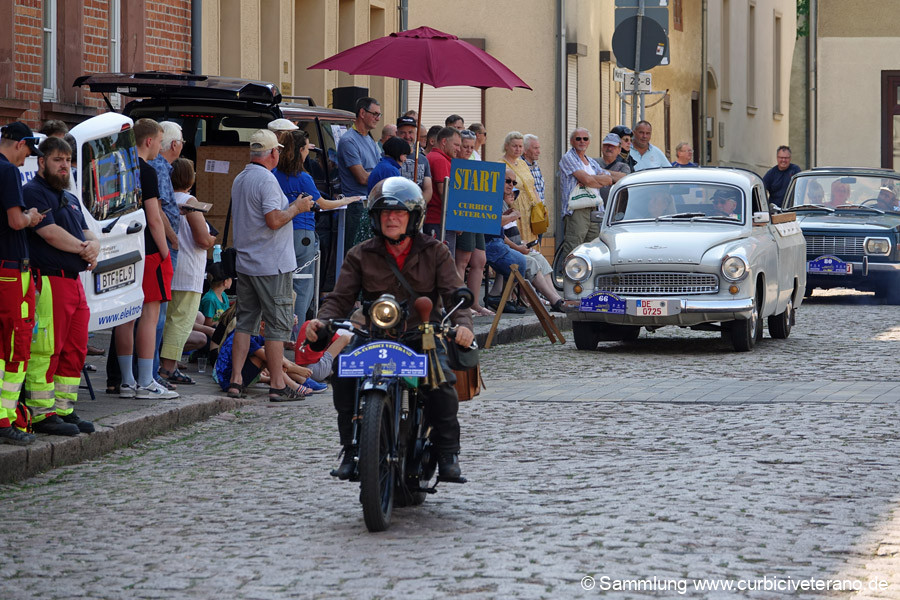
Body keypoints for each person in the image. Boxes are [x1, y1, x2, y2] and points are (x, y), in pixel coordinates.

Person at [306, 177, 474, 480]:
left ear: (413, 218)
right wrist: (322, 321)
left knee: (441, 386)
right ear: (375, 218)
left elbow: (454, 293)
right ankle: (351, 447)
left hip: (421, 335)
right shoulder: (360, 253)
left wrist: (462, 326)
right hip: (374, 336)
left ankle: (448, 454)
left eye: (398, 213)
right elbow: (340, 299)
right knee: (343, 375)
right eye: (385, 213)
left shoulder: (436, 251)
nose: (391, 219)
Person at [228, 129, 313, 401]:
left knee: (245, 323)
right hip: (271, 264)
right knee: (276, 326)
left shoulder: (241, 178)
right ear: (273, 153)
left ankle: (236, 380)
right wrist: (297, 208)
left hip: (248, 263)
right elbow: (274, 220)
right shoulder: (266, 180)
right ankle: (278, 383)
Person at [21, 136, 98, 436]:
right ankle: (41, 413)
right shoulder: (33, 192)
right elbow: (49, 233)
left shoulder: (70, 196)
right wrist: (84, 248)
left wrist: (95, 247)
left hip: (74, 283)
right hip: (49, 281)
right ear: (42, 162)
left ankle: (64, 409)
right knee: (46, 350)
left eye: (67, 160)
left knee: (75, 349)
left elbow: (87, 231)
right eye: (57, 160)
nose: (64, 165)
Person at [114, 118, 179, 400]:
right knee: (149, 318)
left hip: (120, 248)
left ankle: (127, 381)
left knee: (124, 317)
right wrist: (166, 252)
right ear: (149, 141)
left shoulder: (117, 168)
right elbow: (154, 218)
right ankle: (145, 380)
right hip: (148, 249)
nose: (159, 148)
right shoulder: (147, 171)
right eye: (159, 142)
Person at [273, 129, 361, 326]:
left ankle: (278, 328)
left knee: (280, 285)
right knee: (303, 286)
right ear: (301, 151)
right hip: (302, 233)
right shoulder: (304, 177)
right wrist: (345, 200)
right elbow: (323, 203)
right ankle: (297, 331)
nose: (308, 153)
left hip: (279, 232)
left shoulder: (273, 174)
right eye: (306, 148)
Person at [0, 123, 44, 445]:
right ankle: (6, 419)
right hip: (11, 269)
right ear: (19, 144)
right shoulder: (8, 172)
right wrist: (31, 216)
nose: (27, 157)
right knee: (15, 346)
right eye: (29, 150)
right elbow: (16, 221)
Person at [159, 158, 216, 385]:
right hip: (188, 268)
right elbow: (202, 239)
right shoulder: (189, 201)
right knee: (180, 321)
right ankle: (168, 367)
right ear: (191, 178)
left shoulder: (165, 199)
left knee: (167, 319)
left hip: (171, 266)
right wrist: (213, 238)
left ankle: (162, 362)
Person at [485, 170, 568, 314]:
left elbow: (501, 233)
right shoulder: (493, 200)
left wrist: (518, 245)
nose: (511, 186)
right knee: (525, 262)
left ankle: (554, 297)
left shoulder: (501, 203)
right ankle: (507, 299)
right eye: (508, 181)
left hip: (499, 245)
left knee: (537, 259)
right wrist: (512, 220)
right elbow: (494, 225)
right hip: (492, 245)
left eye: (514, 183)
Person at [149, 121, 184, 389]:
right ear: (175, 145)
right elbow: (158, 211)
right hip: (161, 249)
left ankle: (149, 371)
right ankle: (150, 372)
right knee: (156, 314)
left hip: (160, 246)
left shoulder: (162, 167)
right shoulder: (159, 168)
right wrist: (171, 241)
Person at [215, 322, 317, 399]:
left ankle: (298, 380)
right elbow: (271, 358)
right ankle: (293, 385)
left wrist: (292, 365)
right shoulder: (248, 336)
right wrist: (297, 369)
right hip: (228, 381)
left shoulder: (253, 332)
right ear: (263, 325)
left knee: (271, 353)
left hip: (231, 378)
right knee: (268, 357)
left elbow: (279, 357)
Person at [557, 128, 613, 261]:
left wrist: (591, 180)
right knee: (574, 247)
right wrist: (595, 180)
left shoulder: (591, 161)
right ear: (571, 141)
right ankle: (569, 279)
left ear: (589, 142)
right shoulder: (568, 158)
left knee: (593, 248)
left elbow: (609, 180)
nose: (582, 141)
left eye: (585, 139)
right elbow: (588, 180)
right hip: (577, 209)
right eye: (578, 138)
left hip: (594, 208)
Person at [454, 129, 493, 317]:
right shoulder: (456, 162)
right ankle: (460, 305)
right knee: (462, 260)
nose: (468, 150)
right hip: (463, 213)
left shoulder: (475, 157)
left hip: (477, 214)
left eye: (471, 146)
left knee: (480, 260)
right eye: (465, 146)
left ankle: (475, 303)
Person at [336, 96, 382, 251]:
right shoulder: (349, 140)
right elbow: (362, 178)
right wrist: (383, 178)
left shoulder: (370, 138)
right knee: (355, 253)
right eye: (375, 114)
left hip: (371, 203)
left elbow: (377, 168)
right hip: (356, 206)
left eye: (379, 115)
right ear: (362, 113)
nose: (378, 118)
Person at [500, 131, 543, 245]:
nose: (518, 149)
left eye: (520, 146)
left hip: (530, 209)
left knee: (532, 243)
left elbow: (532, 186)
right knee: (519, 242)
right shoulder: (501, 164)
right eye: (514, 146)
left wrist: (540, 206)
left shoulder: (523, 163)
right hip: (515, 208)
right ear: (506, 146)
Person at [425, 126, 462, 254]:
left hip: (436, 220)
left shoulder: (432, 156)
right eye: (456, 145)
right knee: (444, 265)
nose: (459, 149)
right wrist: (456, 221)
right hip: (439, 222)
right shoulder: (440, 160)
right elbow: (445, 193)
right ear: (444, 142)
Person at [396, 115, 434, 203]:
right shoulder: (387, 157)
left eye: (410, 132)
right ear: (396, 134)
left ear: (416, 134)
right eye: (403, 133)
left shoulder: (423, 160)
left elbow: (428, 190)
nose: (407, 136)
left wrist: (417, 206)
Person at [597, 133, 632, 201]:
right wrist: (613, 177)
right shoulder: (593, 162)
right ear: (602, 147)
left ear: (619, 150)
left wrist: (599, 171)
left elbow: (624, 178)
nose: (609, 148)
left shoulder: (624, 166)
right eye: (606, 145)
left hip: (614, 208)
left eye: (613, 146)